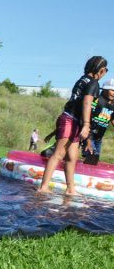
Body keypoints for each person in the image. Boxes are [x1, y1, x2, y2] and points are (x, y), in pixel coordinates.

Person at [38, 56, 108, 195]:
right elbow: (87, 103)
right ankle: (43, 187)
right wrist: (87, 125)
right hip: (71, 120)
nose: (106, 72)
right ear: (100, 70)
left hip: (72, 120)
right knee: (58, 154)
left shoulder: (82, 79)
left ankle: (70, 189)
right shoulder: (94, 83)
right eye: (106, 69)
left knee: (72, 157)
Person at [80, 78, 114, 165]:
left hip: (99, 138)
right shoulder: (97, 100)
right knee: (91, 155)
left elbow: (112, 118)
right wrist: (87, 139)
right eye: (112, 90)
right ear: (105, 89)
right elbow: (87, 115)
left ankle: (89, 174)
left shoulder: (112, 105)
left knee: (95, 158)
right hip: (89, 134)